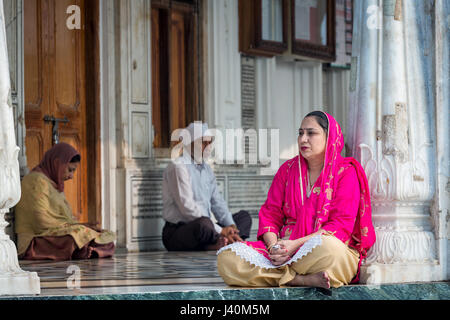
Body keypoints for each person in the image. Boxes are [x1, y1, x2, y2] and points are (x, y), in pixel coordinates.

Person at [217, 111, 375, 289]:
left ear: (329, 137)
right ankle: (297, 279)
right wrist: (274, 247)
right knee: (227, 259)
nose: (303, 139)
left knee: (331, 250)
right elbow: (270, 214)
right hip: (283, 251)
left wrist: (295, 245)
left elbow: (340, 225)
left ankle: (277, 276)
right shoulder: (287, 170)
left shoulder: (346, 172)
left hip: (319, 250)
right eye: (300, 133)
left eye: (311, 133)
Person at [15, 142, 115, 261]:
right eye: (70, 170)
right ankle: (86, 250)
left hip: (55, 232)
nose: (71, 176)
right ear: (57, 163)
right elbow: (41, 221)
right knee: (76, 236)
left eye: (73, 171)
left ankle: (87, 250)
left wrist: (81, 225)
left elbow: (64, 219)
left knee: (104, 235)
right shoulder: (35, 181)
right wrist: (78, 226)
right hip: (35, 239)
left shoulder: (54, 184)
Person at [162, 122, 252, 251]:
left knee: (244, 217)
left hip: (208, 227)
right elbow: (187, 208)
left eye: (210, 143)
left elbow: (217, 201)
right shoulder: (178, 166)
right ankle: (219, 242)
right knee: (203, 224)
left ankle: (226, 240)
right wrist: (221, 230)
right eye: (203, 142)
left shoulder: (207, 169)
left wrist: (231, 227)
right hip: (179, 231)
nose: (208, 147)